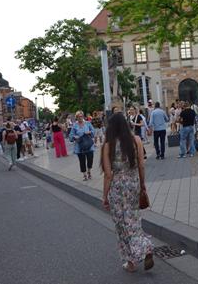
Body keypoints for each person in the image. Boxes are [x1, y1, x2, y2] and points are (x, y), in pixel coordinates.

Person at [101, 113, 154, 273]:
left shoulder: (108, 145)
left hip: (117, 187)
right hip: (133, 185)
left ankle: (131, 262)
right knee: (133, 219)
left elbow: (108, 174)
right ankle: (145, 246)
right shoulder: (136, 140)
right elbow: (141, 166)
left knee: (122, 225)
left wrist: (104, 196)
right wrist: (142, 185)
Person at [70, 111, 95, 181]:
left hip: (89, 145)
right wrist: (75, 137)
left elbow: (93, 131)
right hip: (80, 146)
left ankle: (89, 171)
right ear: (76, 118)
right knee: (82, 161)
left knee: (90, 160)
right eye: (78, 117)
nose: (80, 118)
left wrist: (89, 132)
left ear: (83, 116)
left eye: (81, 116)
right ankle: (84, 175)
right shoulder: (74, 125)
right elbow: (71, 136)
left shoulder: (88, 123)